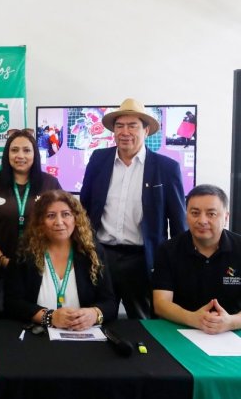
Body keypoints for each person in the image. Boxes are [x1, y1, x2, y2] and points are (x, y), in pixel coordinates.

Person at [80, 98, 186, 319]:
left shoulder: (166, 168)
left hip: (142, 261)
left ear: (146, 131)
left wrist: (177, 267)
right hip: (101, 256)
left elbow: (178, 223)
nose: (125, 132)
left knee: (143, 323)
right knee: (95, 319)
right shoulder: (99, 159)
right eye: (119, 126)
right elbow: (84, 207)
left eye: (132, 126)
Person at [0, 128, 61, 313]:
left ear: (35, 154)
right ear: (7, 154)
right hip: (1, 267)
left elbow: (63, 222)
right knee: (3, 318)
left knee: (37, 315)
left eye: (26, 150)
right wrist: (1, 259)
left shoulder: (50, 183)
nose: (20, 155)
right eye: (14, 150)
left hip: (41, 267)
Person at [4, 190, 117, 330]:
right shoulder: (25, 253)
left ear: (76, 218)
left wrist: (94, 314)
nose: (59, 222)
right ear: (40, 222)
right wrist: (49, 317)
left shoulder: (92, 253)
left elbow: (110, 303)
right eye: (51, 216)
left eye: (66, 214)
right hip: (37, 334)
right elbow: (11, 303)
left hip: (82, 335)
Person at [153, 185, 241, 334]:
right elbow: (161, 303)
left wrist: (231, 322)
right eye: (195, 213)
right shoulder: (168, 250)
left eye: (211, 214)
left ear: (226, 217)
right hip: (180, 330)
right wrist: (193, 319)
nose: (202, 220)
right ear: (186, 215)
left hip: (232, 332)